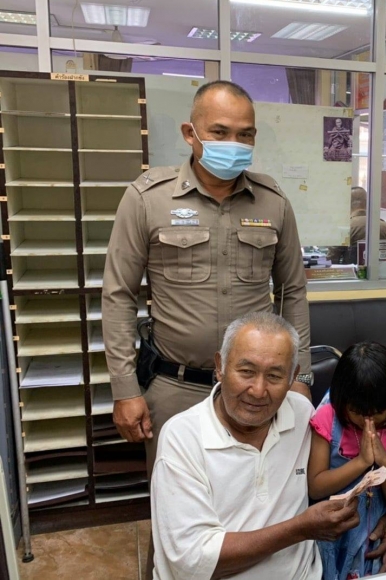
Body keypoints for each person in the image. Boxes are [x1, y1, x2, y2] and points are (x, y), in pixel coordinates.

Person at [103, 80, 315, 478]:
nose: (233, 143)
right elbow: (118, 296)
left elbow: (292, 293)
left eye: (245, 134)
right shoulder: (148, 198)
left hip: (257, 389)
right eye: (220, 132)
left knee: (258, 493)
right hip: (176, 386)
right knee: (177, 500)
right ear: (190, 133)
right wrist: (125, 388)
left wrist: (300, 376)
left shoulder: (273, 201)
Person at [150, 311, 359, 579]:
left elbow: (342, 467)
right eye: (247, 372)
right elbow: (193, 562)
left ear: (293, 377)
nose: (258, 391)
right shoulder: (182, 438)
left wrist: (381, 515)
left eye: (274, 376)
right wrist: (300, 529)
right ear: (220, 366)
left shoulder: (302, 414)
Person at [308, 342, 386, 580]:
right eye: (357, 411)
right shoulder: (328, 418)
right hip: (328, 538)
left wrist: (384, 462)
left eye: (378, 412)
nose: (367, 420)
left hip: (370, 545)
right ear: (341, 398)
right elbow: (316, 487)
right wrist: (361, 462)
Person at [328, 187, 386, 265]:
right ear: (368, 203)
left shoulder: (344, 228)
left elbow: (331, 261)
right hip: (382, 272)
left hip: (353, 272)